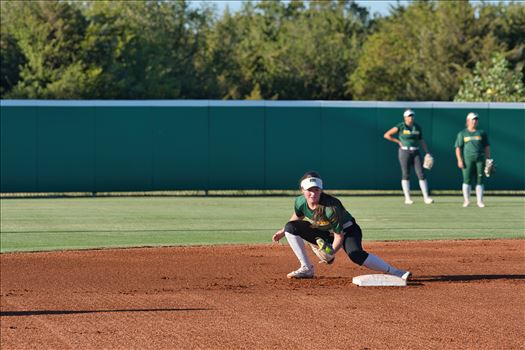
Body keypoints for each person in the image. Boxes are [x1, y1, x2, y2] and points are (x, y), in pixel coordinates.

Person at [272, 171, 411, 280]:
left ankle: (395, 272)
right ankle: (306, 268)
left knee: (356, 255)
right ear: (302, 190)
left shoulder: (331, 207)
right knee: (291, 227)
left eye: (316, 189)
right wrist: (282, 231)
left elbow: (339, 235)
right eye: (309, 189)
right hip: (324, 231)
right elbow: (298, 217)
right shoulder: (300, 202)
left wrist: (331, 252)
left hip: (347, 231)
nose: (313, 193)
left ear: (321, 190)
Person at [384, 109, 433, 204]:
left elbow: (421, 140)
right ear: (405, 117)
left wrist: (427, 152)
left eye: (412, 115)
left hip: (416, 151)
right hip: (404, 151)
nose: (411, 117)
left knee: (421, 174)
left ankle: (426, 197)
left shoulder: (417, 127)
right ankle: (407, 198)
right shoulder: (401, 126)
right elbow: (387, 135)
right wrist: (398, 142)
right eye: (409, 116)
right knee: (406, 174)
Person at [454, 112, 491, 208]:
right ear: (468, 121)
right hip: (467, 160)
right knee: (467, 180)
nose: (475, 121)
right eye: (473, 119)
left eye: (476, 119)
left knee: (480, 180)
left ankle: (480, 201)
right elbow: (458, 148)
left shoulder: (481, 133)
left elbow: (486, 146)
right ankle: (466, 201)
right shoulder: (462, 133)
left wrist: (488, 159)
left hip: (479, 159)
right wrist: (459, 160)